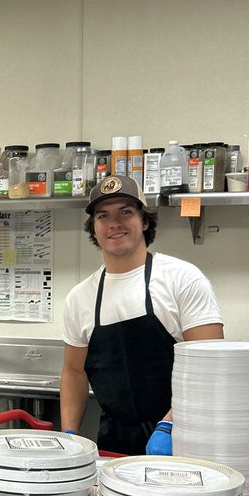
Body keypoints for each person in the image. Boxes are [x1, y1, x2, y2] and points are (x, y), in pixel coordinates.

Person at [61, 174, 223, 457]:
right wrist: (69, 434)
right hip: (115, 442)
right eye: (103, 216)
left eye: (126, 212)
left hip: (183, 435)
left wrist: (169, 426)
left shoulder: (182, 278)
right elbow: (74, 372)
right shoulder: (80, 297)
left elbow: (210, 366)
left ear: (144, 221)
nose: (115, 223)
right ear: (94, 229)